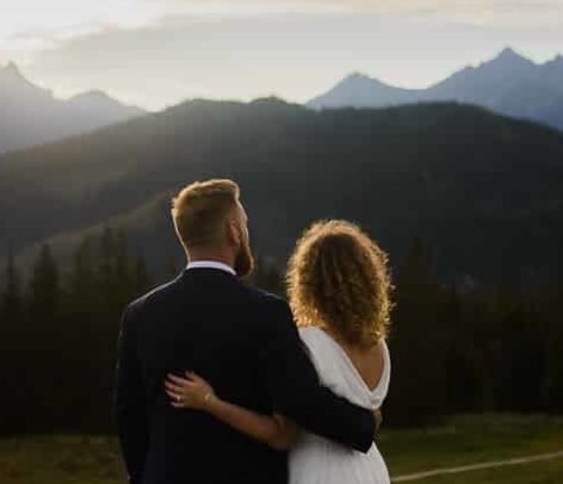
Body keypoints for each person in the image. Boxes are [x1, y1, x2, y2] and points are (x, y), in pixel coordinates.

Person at [113, 179, 381, 484]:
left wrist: (143, 477)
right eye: (244, 222)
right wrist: (363, 425)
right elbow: (301, 400)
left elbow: (129, 416)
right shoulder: (267, 313)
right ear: (233, 231)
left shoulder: (140, 314)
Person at [165, 219, 393, 484]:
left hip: (319, 472)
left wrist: (209, 401)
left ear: (308, 280)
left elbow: (280, 435)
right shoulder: (378, 346)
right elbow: (370, 417)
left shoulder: (305, 342)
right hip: (371, 471)